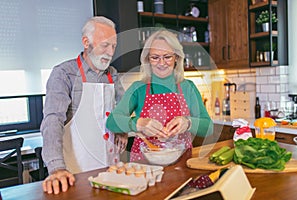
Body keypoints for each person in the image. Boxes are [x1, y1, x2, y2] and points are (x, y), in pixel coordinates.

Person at [41, 16, 127, 194]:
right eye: (105, 45)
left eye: (113, 46)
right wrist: (56, 168)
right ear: (86, 42)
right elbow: (52, 121)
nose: (110, 52)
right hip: (77, 172)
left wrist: (121, 128)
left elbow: (122, 108)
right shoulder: (64, 73)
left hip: (112, 168)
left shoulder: (112, 74)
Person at [106, 29, 213, 161]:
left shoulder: (188, 87)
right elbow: (112, 121)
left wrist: (188, 123)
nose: (161, 63)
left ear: (176, 58)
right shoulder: (138, 89)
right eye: (155, 57)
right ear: (147, 60)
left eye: (167, 57)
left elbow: (209, 127)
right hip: (145, 165)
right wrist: (138, 123)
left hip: (181, 162)